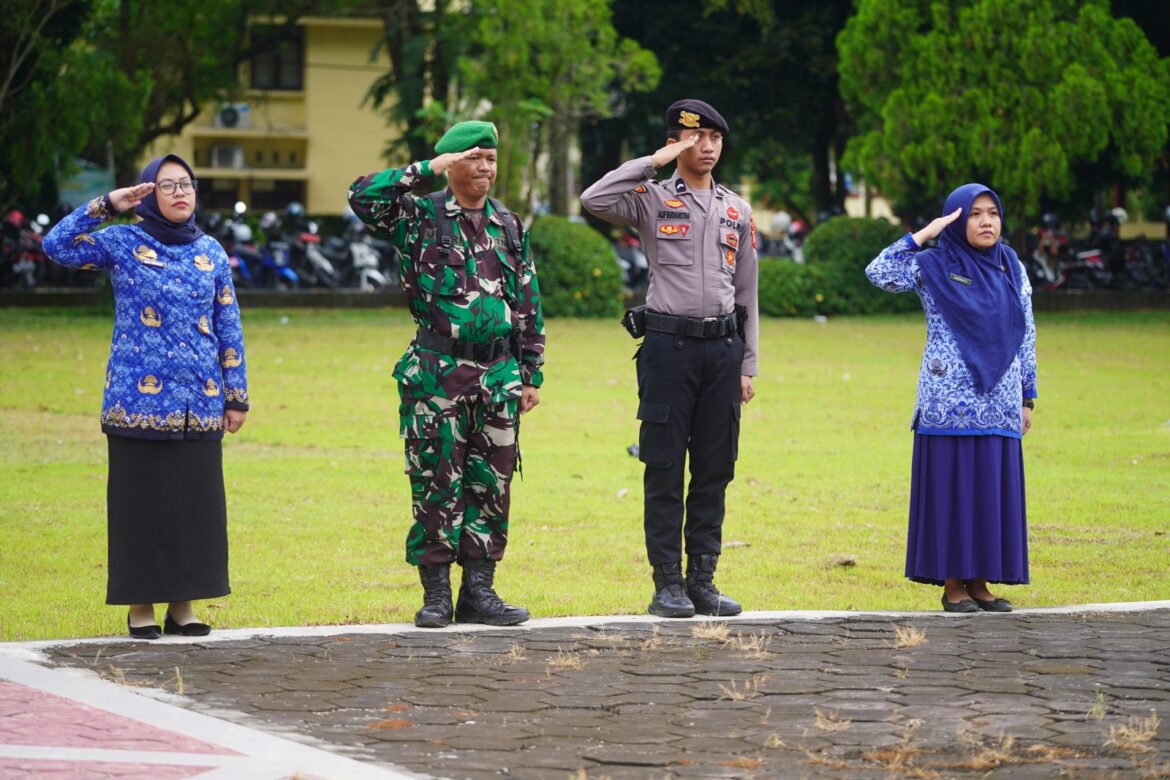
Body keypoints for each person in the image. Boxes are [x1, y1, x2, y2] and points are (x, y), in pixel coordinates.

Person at [348, 120, 545, 628]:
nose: (486, 167)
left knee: (491, 485)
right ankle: (436, 595)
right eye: (475, 157)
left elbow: (526, 298)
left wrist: (530, 372)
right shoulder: (418, 215)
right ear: (451, 161)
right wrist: (425, 170)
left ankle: (479, 591)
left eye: (492, 159)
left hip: (498, 373)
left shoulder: (509, 223)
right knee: (437, 482)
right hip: (437, 374)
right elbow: (362, 196)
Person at [43, 155, 249, 639]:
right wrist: (106, 205)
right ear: (148, 193)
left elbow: (228, 323)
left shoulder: (212, 252)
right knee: (142, 507)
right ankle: (140, 607)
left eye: (187, 184)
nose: (180, 192)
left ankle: (184, 606)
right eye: (167, 184)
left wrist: (236, 396)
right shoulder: (122, 241)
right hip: (137, 401)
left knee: (194, 507)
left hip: (199, 401)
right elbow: (56, 245)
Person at [580, 99, 759, 618]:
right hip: (668, 350)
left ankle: (703, 580)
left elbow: (747, 290)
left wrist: (748, 364)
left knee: (714, 467)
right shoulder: (651, 199)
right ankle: (667, 585)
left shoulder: (735, 209)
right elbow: (594, 197)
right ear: (675, 142)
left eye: (714, 138)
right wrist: (655, 160)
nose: (705, 147)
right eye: (694, 137)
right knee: (663, 468)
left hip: (723, 352)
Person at [865, 183, 1036, 613]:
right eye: (974, 214)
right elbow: (879, 272)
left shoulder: (1011, 266)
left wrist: (1027, 396)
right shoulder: (934, 264)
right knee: (952, 490)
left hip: (999, 400)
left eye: (992, 214)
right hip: (947, 402)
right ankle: (952, 584)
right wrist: (924, 233)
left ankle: (979, 583)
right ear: (956, 219)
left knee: (985, 491)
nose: (986, 222)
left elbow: (1026, 331)